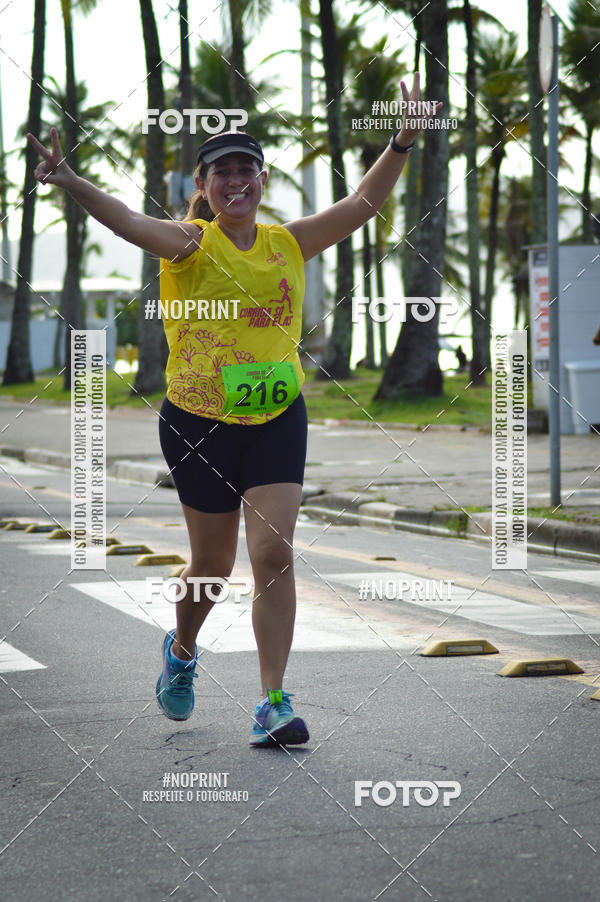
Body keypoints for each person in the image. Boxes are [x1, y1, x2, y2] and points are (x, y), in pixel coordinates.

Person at [28, 73, 441, 747]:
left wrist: (401, 140)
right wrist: (70, 180)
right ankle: (182, 650)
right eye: (222, 172)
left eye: (246, 169)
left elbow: (363, 202)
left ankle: (272, 702)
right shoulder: (191, 245)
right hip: (198, 423)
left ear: (262, 180)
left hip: (277, 418)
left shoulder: (288, 243)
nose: (236, 180)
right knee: (213, 569)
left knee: (273, 552)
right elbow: (127, 221)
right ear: (205, 185)